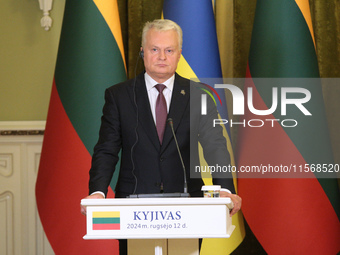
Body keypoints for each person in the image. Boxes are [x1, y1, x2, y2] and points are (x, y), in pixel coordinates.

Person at [81, 19, 241, 254]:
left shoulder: (200, 96)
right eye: (155, 49)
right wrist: (97, 191)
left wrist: (225, 189)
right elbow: (107, 149)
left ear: (179, 54)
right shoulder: (119, 96)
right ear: (143, 52)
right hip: (133, 208)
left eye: (169, 50)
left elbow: (215, 145)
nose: (162, 56)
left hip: (189, 206)